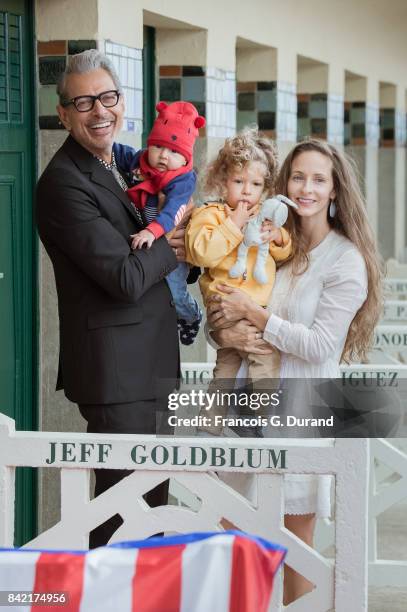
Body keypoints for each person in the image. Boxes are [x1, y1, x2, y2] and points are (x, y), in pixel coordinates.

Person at [205, 139, 382, 603]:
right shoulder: (275, 243)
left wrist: (257, 316)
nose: (306, 188)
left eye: (318, 179)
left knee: (293, 540)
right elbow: (229, 307)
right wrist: (227, 332)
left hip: (303, 409)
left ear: (334, 191)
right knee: (231, 528)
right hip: (248, 403)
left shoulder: (346, 260)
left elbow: (322, 344)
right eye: (298, 177)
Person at [36, 49, 184, 548]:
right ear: (62, 114)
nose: (100, 110)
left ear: (122, 101)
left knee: (151, 509)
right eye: (84, 102)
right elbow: (123, 277)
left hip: (152, 365)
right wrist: (175, 244)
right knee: (121, 512)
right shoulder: (63, 183)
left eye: (109, 97)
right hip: (116, 375)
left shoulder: (122, 163)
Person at [185, 128, 292, 432]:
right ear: (222, 180)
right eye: (238, 181)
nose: (247, 191)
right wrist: (233, 224)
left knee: (244, 364)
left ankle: (235, 424)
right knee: (247, 361)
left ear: (266, 188)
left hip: (254, 308)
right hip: (224, 305)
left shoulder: (268, 217)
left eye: (256, 184)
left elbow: (288, 253)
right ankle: (239, 425)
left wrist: (278, 238)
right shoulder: (212, 214)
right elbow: (200, 252)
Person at [113, 100, 205, 345]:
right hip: (152, 245)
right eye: (158, 147)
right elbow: (116, 152)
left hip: (170, 247)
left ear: (185, 157)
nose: (164, 156)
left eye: (174, 152)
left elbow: (172, 212)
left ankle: (191, 314)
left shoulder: (182, 181)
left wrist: (152, 233)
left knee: (175, 291)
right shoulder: (141, 162)